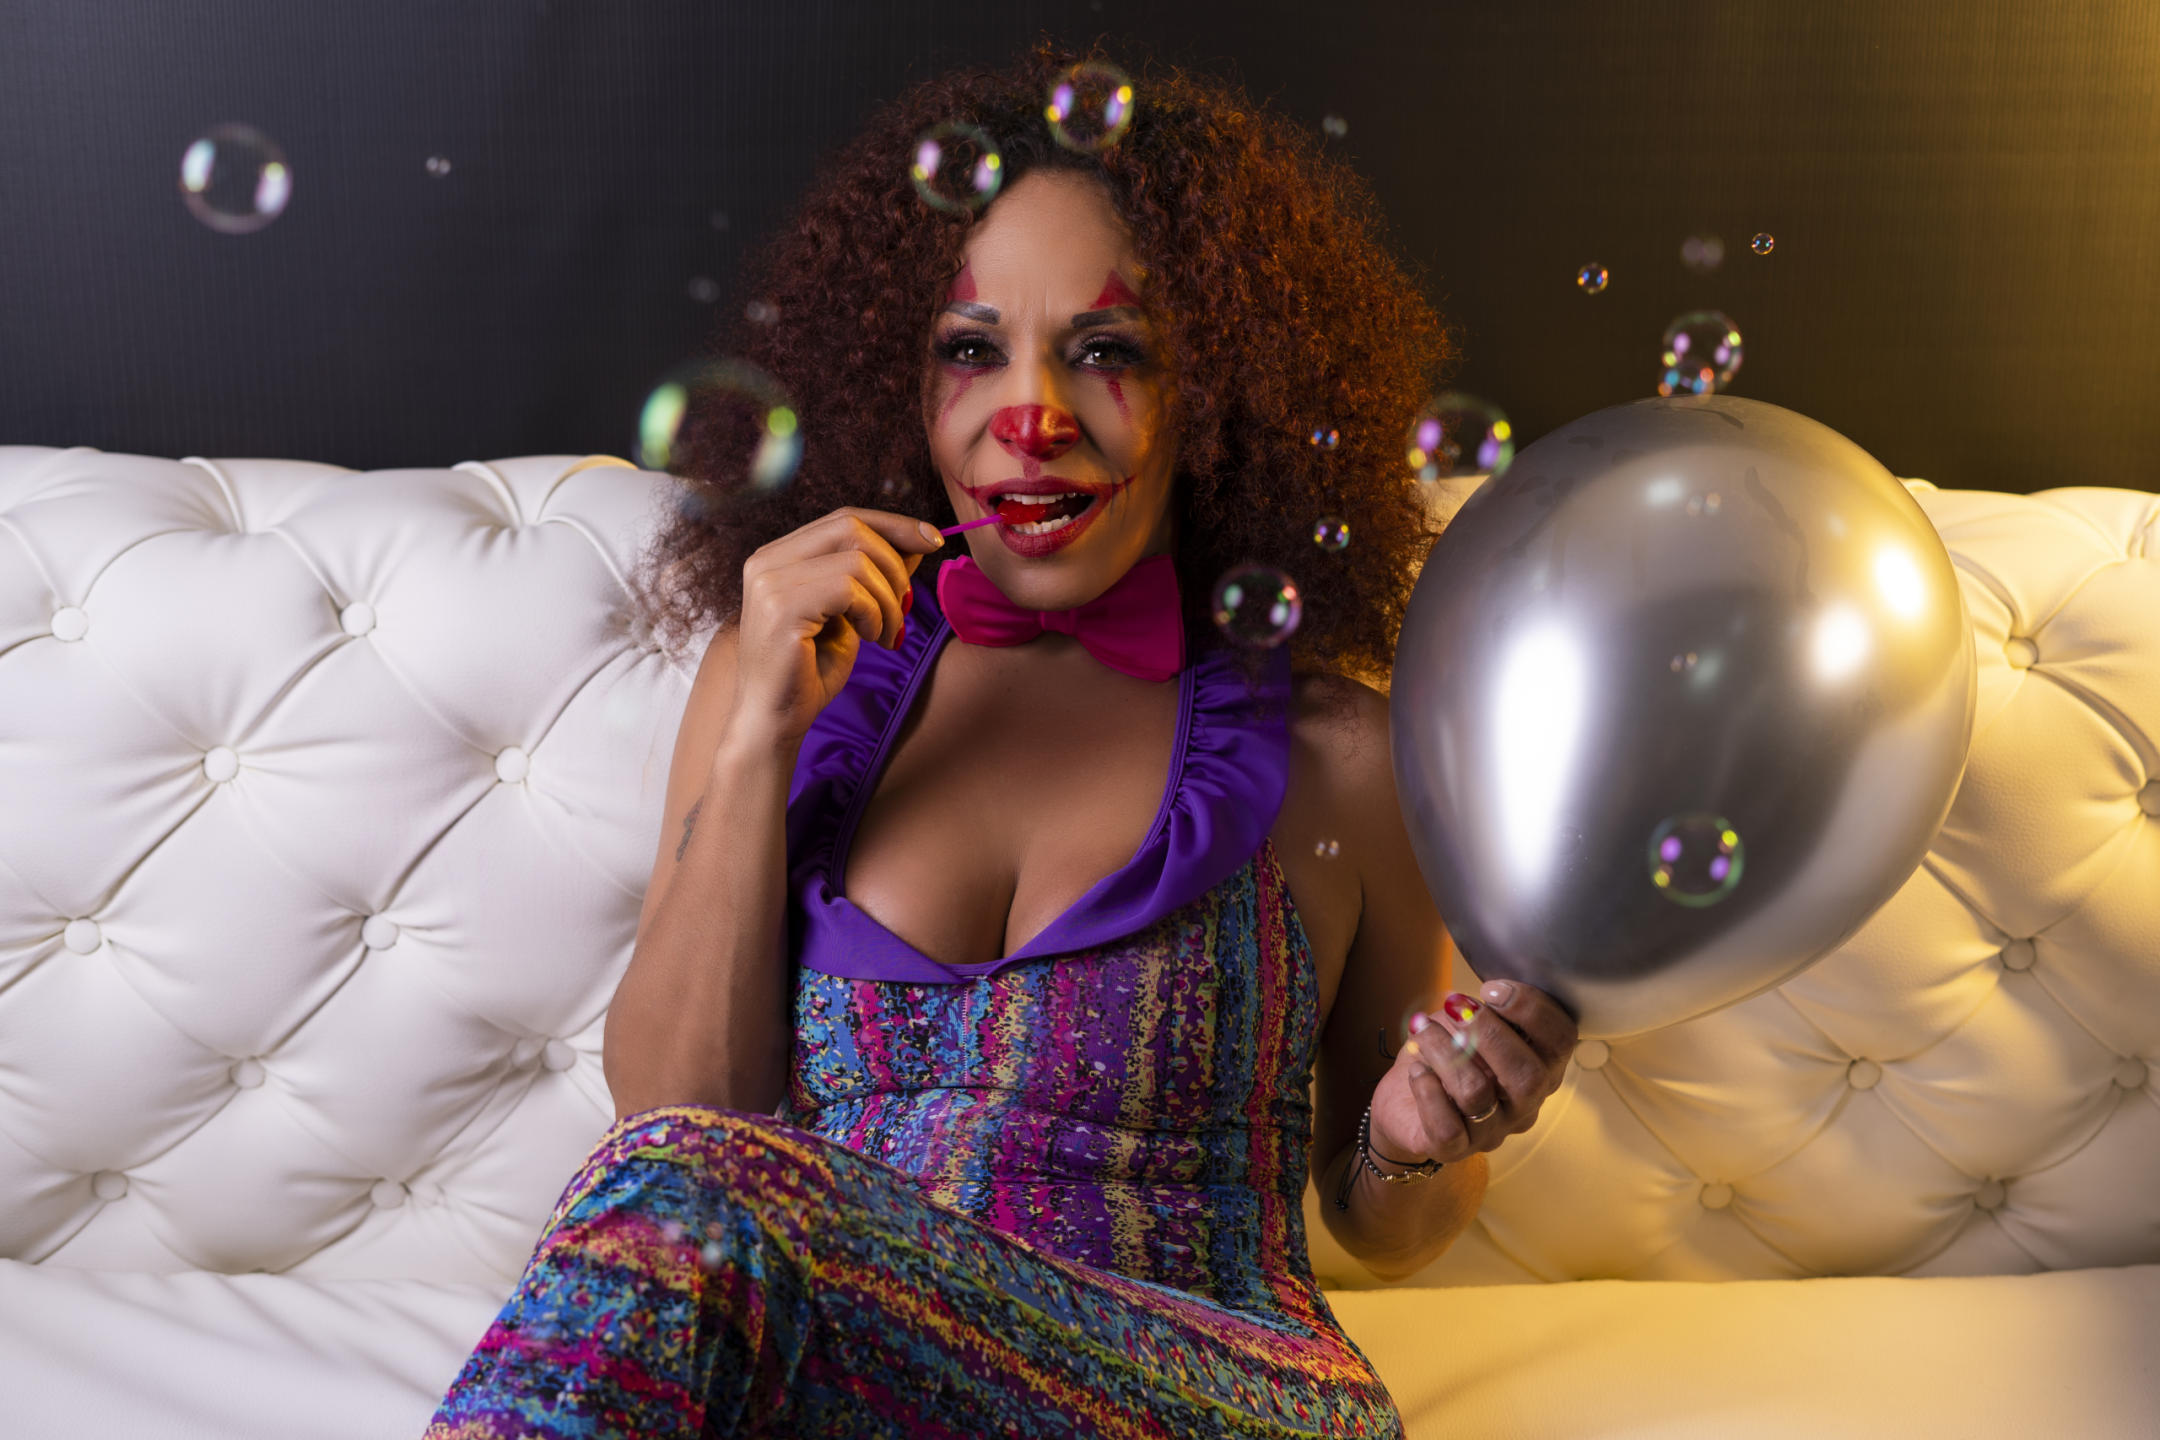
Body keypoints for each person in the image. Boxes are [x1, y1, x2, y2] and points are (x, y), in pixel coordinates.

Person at [427, 42, 1577, 1440]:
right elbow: (677, 1116)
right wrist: (758, 743)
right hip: (865, 1385)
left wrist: (1409, 1143)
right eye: (971, 351)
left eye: (1106, 352)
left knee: (699, 1204)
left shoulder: (1342, 756)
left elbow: (1384, 1226)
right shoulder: (787, 679)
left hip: (1215, 1384)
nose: (1030, 419)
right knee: (683, 1196)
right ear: (899, 386)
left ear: (1216, 392)